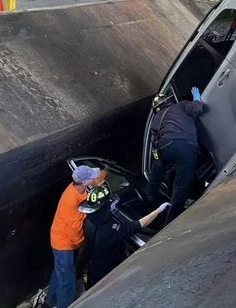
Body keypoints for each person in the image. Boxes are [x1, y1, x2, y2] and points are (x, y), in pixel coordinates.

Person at [47, 165, 106, 308]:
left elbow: (99, 178)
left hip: (70, 240)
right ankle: (64, 305)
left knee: (61, 270)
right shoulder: (70, 200)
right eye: (91, 178)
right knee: (67, 279)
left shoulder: (80, 188)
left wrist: (106, 171)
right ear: (84, 181)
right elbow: (79, 225)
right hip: (63, 242)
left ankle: (51, 301)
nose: (94, 179)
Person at [84, 192, 171, 286]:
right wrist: (158, 211)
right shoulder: (108, 230)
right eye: (110, 205)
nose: (113, 206)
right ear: (104, 209)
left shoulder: (88, 222)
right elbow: (137, 225)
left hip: (95, 266)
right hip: (108, 272)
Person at [145, 86, 203, 223]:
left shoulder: (156, 119)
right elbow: (197, 108)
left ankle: (150, 193)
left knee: (158, 168)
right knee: (181, 184)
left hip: (166, 147)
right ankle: (170, 221)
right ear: (168, 101)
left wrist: (158, 159)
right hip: (185, 145)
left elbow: (155, 141)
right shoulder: (181, 105)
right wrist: (197, 98)